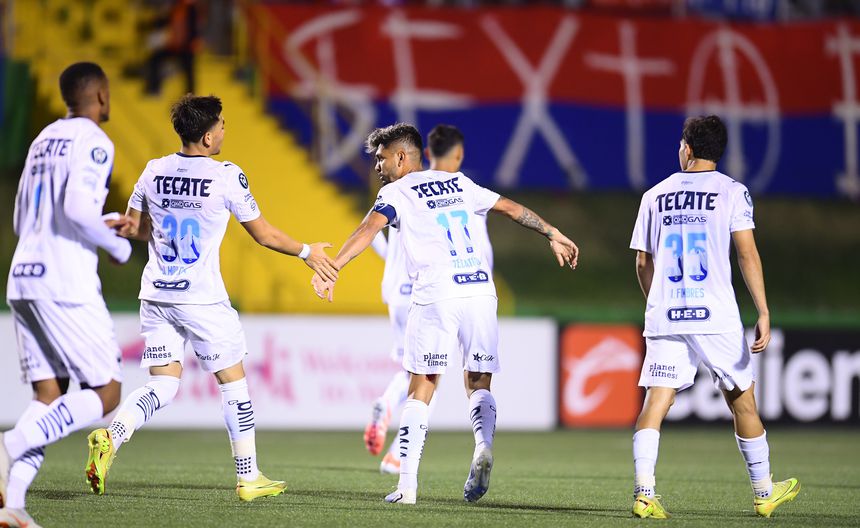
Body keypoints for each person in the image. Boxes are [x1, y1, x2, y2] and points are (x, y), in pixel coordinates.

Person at [84, 94, 339, 501]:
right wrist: (307, 252)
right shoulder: (225, 176)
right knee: (234, 385)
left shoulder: (153, 170)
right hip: (202, 300)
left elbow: (137, 228)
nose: (223, 130)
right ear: (206, 137)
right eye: (220, 125)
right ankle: (249, 477)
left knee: (163, 385)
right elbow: (264, 234)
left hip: (157, 295)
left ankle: (113, 435)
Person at [311, 123, 578, 505]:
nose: (377, 167)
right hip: (480, 291)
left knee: (422, 384)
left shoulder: (396, 192)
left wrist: (334, 266)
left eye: (381, 159)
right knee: (479, 382)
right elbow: (511, 208)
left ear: (401, 157)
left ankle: (406, 486)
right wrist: (552, 233)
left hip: (436, 293)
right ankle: (483, 446)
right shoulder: (459, 182)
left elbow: (369, 228)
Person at [628, 115, 800, 519]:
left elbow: (642, 262)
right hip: (715, 314)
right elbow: (746, 253)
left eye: (680, 144)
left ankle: (644, 493)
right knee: (742, 401)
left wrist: (658, 303)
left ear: (687, 148)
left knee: (657, 400)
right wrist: (763, 310)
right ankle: (764, 492)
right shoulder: (732, 192)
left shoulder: (654, 195)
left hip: (667, 312)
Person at [0, 62, 133, 528]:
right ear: (100, 95)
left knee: (49, 394)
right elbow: (76, 208)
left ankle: (11, 504)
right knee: (107, 391)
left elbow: (23, 217)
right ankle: (8, 445)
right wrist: (117, 245)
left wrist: (102, 222)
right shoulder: (95, 140)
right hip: (64, 281)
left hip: (24, 275)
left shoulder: (43, 138)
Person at [365, 124, 491, 475]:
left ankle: (386, 405)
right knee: (431, 377)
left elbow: (369, 232)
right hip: (439, 291)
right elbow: (481, 250)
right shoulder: (458, 191)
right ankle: (399, 457)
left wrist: (384, 262)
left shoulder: (395, 192)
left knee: (414, 369)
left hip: (397, 292)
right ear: (459, 154)